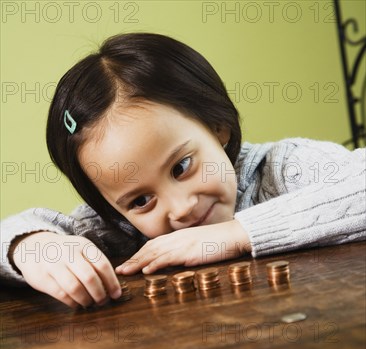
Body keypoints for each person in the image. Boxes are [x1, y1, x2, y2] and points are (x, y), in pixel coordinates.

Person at [1, 33, 365, 309]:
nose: (180, 209)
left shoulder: (284, 169)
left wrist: (237, 233)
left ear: (217, 125)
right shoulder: (121, 230)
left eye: (181, 167)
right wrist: (31, 246)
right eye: (141, 200)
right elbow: (14, 234)